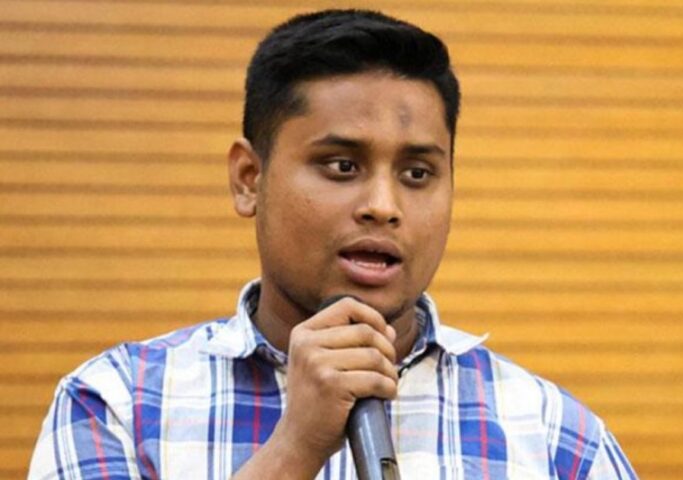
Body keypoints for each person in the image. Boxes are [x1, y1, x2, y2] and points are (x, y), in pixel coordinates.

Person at [29, 9, 637, 480]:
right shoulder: (116, 404)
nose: (383, 204)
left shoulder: (554, 435)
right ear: (250, 179)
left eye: (417, 173)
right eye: (342, 165)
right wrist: (294, 448)